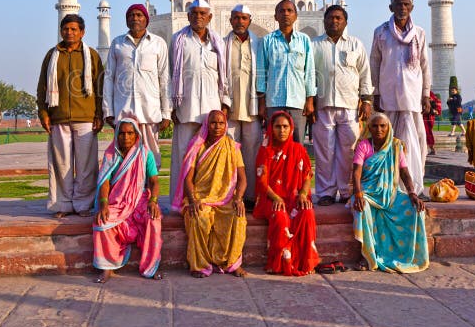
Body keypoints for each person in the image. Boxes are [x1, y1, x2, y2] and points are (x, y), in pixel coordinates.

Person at [37, 14, 104, 218]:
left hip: (86, 117)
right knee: (61, 165)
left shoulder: (91, 55)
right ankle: (63, 205)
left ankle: (83, 204)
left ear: (82, 32)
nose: (70, 32)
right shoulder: (52, 56)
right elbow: (43, 87)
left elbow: (100, 86)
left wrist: (99, 114)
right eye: (66, 29)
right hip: (59, 117)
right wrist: (43, 112)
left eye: (74, 29)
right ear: (61, 31)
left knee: (86, 166)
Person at [350, 112, 429, 273]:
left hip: (391, 193)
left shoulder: (395, 146)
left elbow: (405, 172)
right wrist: (358, 194)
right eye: (375, 126)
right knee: (362, 208)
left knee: (415, 208)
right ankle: (366, 255)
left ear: (388, 128)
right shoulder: (364, 146)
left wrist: (413, 194)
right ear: (369, 128)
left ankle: (407, 254)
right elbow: (356, 173)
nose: (379, 129)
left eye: (382, 126)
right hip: (368, 192)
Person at [172, 110, 247, 278]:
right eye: (213, 123)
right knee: (198, 217)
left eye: (221, 123)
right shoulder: (197, 146)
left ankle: (232, 262)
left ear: (226, 125)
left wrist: (239, 199)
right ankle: (199, 265)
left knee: (238, 217)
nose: (217, 127)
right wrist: (192, 200)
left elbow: (242, 179)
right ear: (207, 124)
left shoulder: (232, 147)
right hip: (200, 198)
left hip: (226, 198)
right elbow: (188, 179)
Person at [370, 0, 431, 196]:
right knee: (387, 142)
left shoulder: (419, 34)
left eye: (406, 4)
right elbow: (375, 63)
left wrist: (426, 94)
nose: (402, 8)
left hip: (413, 97)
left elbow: (424, 65)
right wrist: (375, 92)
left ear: (412, 7)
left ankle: (415, 185)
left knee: (418, 142)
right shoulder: (381, 32)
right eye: (398, 4)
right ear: (391, 7)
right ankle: (391, 184)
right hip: (389, 96)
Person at [169, 0, 231, 202]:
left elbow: (225, 76)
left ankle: (209, 198)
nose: (198, 17)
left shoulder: (217, 43)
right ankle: (179, 201)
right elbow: (169, 75)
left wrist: (224, 104)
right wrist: (170, 107)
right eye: (194, 13)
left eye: (203, 13)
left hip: (212, 109)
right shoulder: (178, 40)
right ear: (187, 16)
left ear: (210, 17)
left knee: (210, 158)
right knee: (183, 157)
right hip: (185, 108)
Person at [312, 5, 372, 206]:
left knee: (349, 150)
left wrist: (366, 100)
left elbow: (364, 74)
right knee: (324, 151)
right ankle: (325, 192)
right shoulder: (315, 45)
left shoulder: (355, 45)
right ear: (324, 21)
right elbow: (308, 75)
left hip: (350, 105)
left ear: (345, 22)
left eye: (338, 18)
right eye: (330, 18)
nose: (334, 21)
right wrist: (310, 100)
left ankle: (347, 190)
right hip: (323, 104)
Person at [93, 116, 162, 283]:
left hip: (139, 200)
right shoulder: (111, 154)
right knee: (101, 222)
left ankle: (150, 267)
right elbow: (104, 183)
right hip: (117, 202)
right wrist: (103, 205)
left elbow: (154, 181)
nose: (126, 137)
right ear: (117, 135)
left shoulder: (145, 153)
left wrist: (153, 201)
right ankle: (107, 268)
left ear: (136, 134)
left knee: (154, 219)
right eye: (122, 133)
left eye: (130, 133)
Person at [103, 3, 171, 166]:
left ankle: (148, 191)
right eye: (131, 15)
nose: (135, 18)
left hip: (149, 112)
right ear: (126, 21)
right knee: (123, 160)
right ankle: (127, 191)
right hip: (124, 112)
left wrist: (166, 112)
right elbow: (109, 78)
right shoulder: (118, 44)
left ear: (146, 20)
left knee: (151, 160)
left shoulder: (157, 43)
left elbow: (164, 78)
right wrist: (108, 111)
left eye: (139, 15)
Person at [253, 111, 320, 276]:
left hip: (295, 196)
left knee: (307, 212)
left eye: (285, 126)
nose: (281, 130)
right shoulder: (265, 151)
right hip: (270, 198)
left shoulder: (298, 149)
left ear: (291, 128)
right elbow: (262, 181)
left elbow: (306, 175)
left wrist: (303, 194)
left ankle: (306, 262)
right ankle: (280, 263)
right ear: (271, 128)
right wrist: (276, 197)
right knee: (281, 216)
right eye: (277, 126)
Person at [256, 0, 316, 143]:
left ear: (296, 16)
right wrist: (262, 103)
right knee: (274, 144)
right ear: (275, 16)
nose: (286, 14)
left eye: (290, 11)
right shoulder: (267, 40)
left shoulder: (304, 40)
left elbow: (309, 72)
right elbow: (261, 73)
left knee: (297, 144)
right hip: (274, 101)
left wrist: (310, 101)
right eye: (281, 11)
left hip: (298, 102)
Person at [224, 4, 263, 209]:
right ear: (230, 20)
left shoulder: (259, 44)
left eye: (244, 18)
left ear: (250, 20)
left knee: (252, 153)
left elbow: (264, 74)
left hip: (252, 108)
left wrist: (263, 102)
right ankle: (229, 195)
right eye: (236, 18)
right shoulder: (221, 44)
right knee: (229, 153)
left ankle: (250, 196)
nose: (240, 22)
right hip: (229, 108)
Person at [423, 90, 441, 155]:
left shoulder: (430, 93)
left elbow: (437, 102)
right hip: (421, 116)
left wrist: (436, 110)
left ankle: (431, 148)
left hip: (427, 117)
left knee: (427, 132)